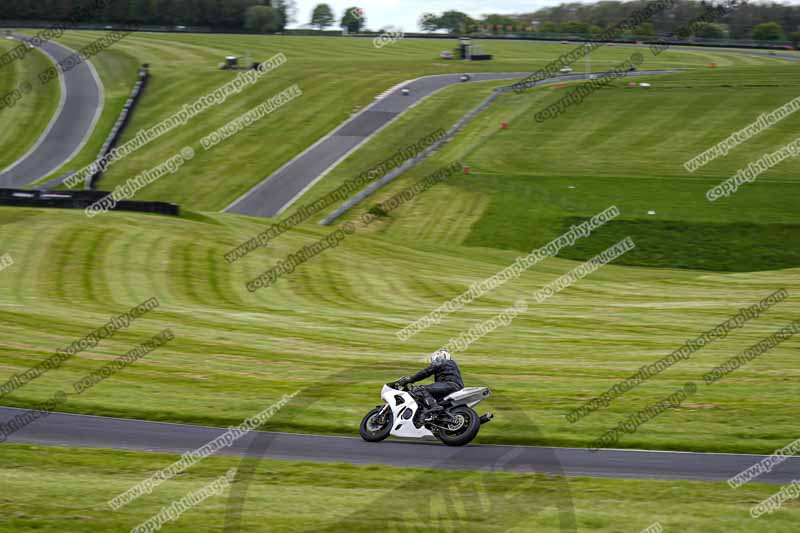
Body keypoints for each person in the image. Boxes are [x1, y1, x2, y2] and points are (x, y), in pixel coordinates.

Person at [394, 350, 464, 419]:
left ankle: (434, 407)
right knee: (432, 397)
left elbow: (425, 372)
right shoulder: (452, 365)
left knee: (419, 389)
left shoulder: (441, 361)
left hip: (448, 385)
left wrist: (409, 380)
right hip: (456, 387)